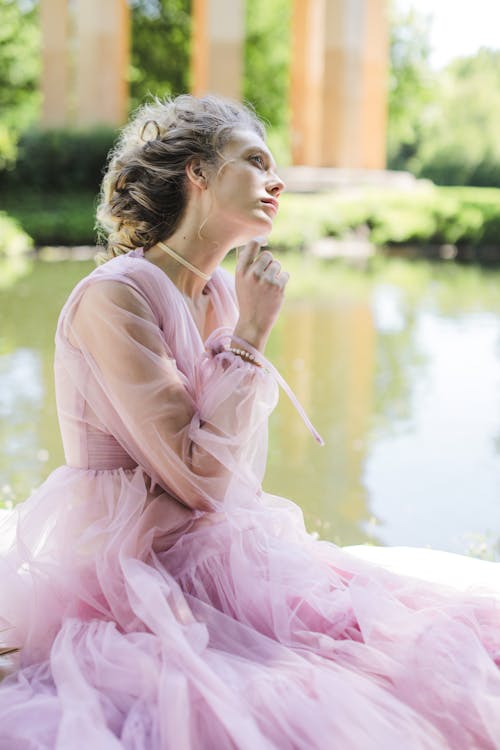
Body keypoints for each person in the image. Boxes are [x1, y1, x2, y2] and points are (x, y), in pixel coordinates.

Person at [0, 94, 499, 750]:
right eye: (255, 161)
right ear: (198, 175)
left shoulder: (220, 293)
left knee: (421, 640)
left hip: (212, 548)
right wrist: (252, 336)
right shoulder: (115, 295)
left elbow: (231, 480)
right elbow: (200, 479)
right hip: (130, 564)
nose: (278, 179)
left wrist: (242, 325)